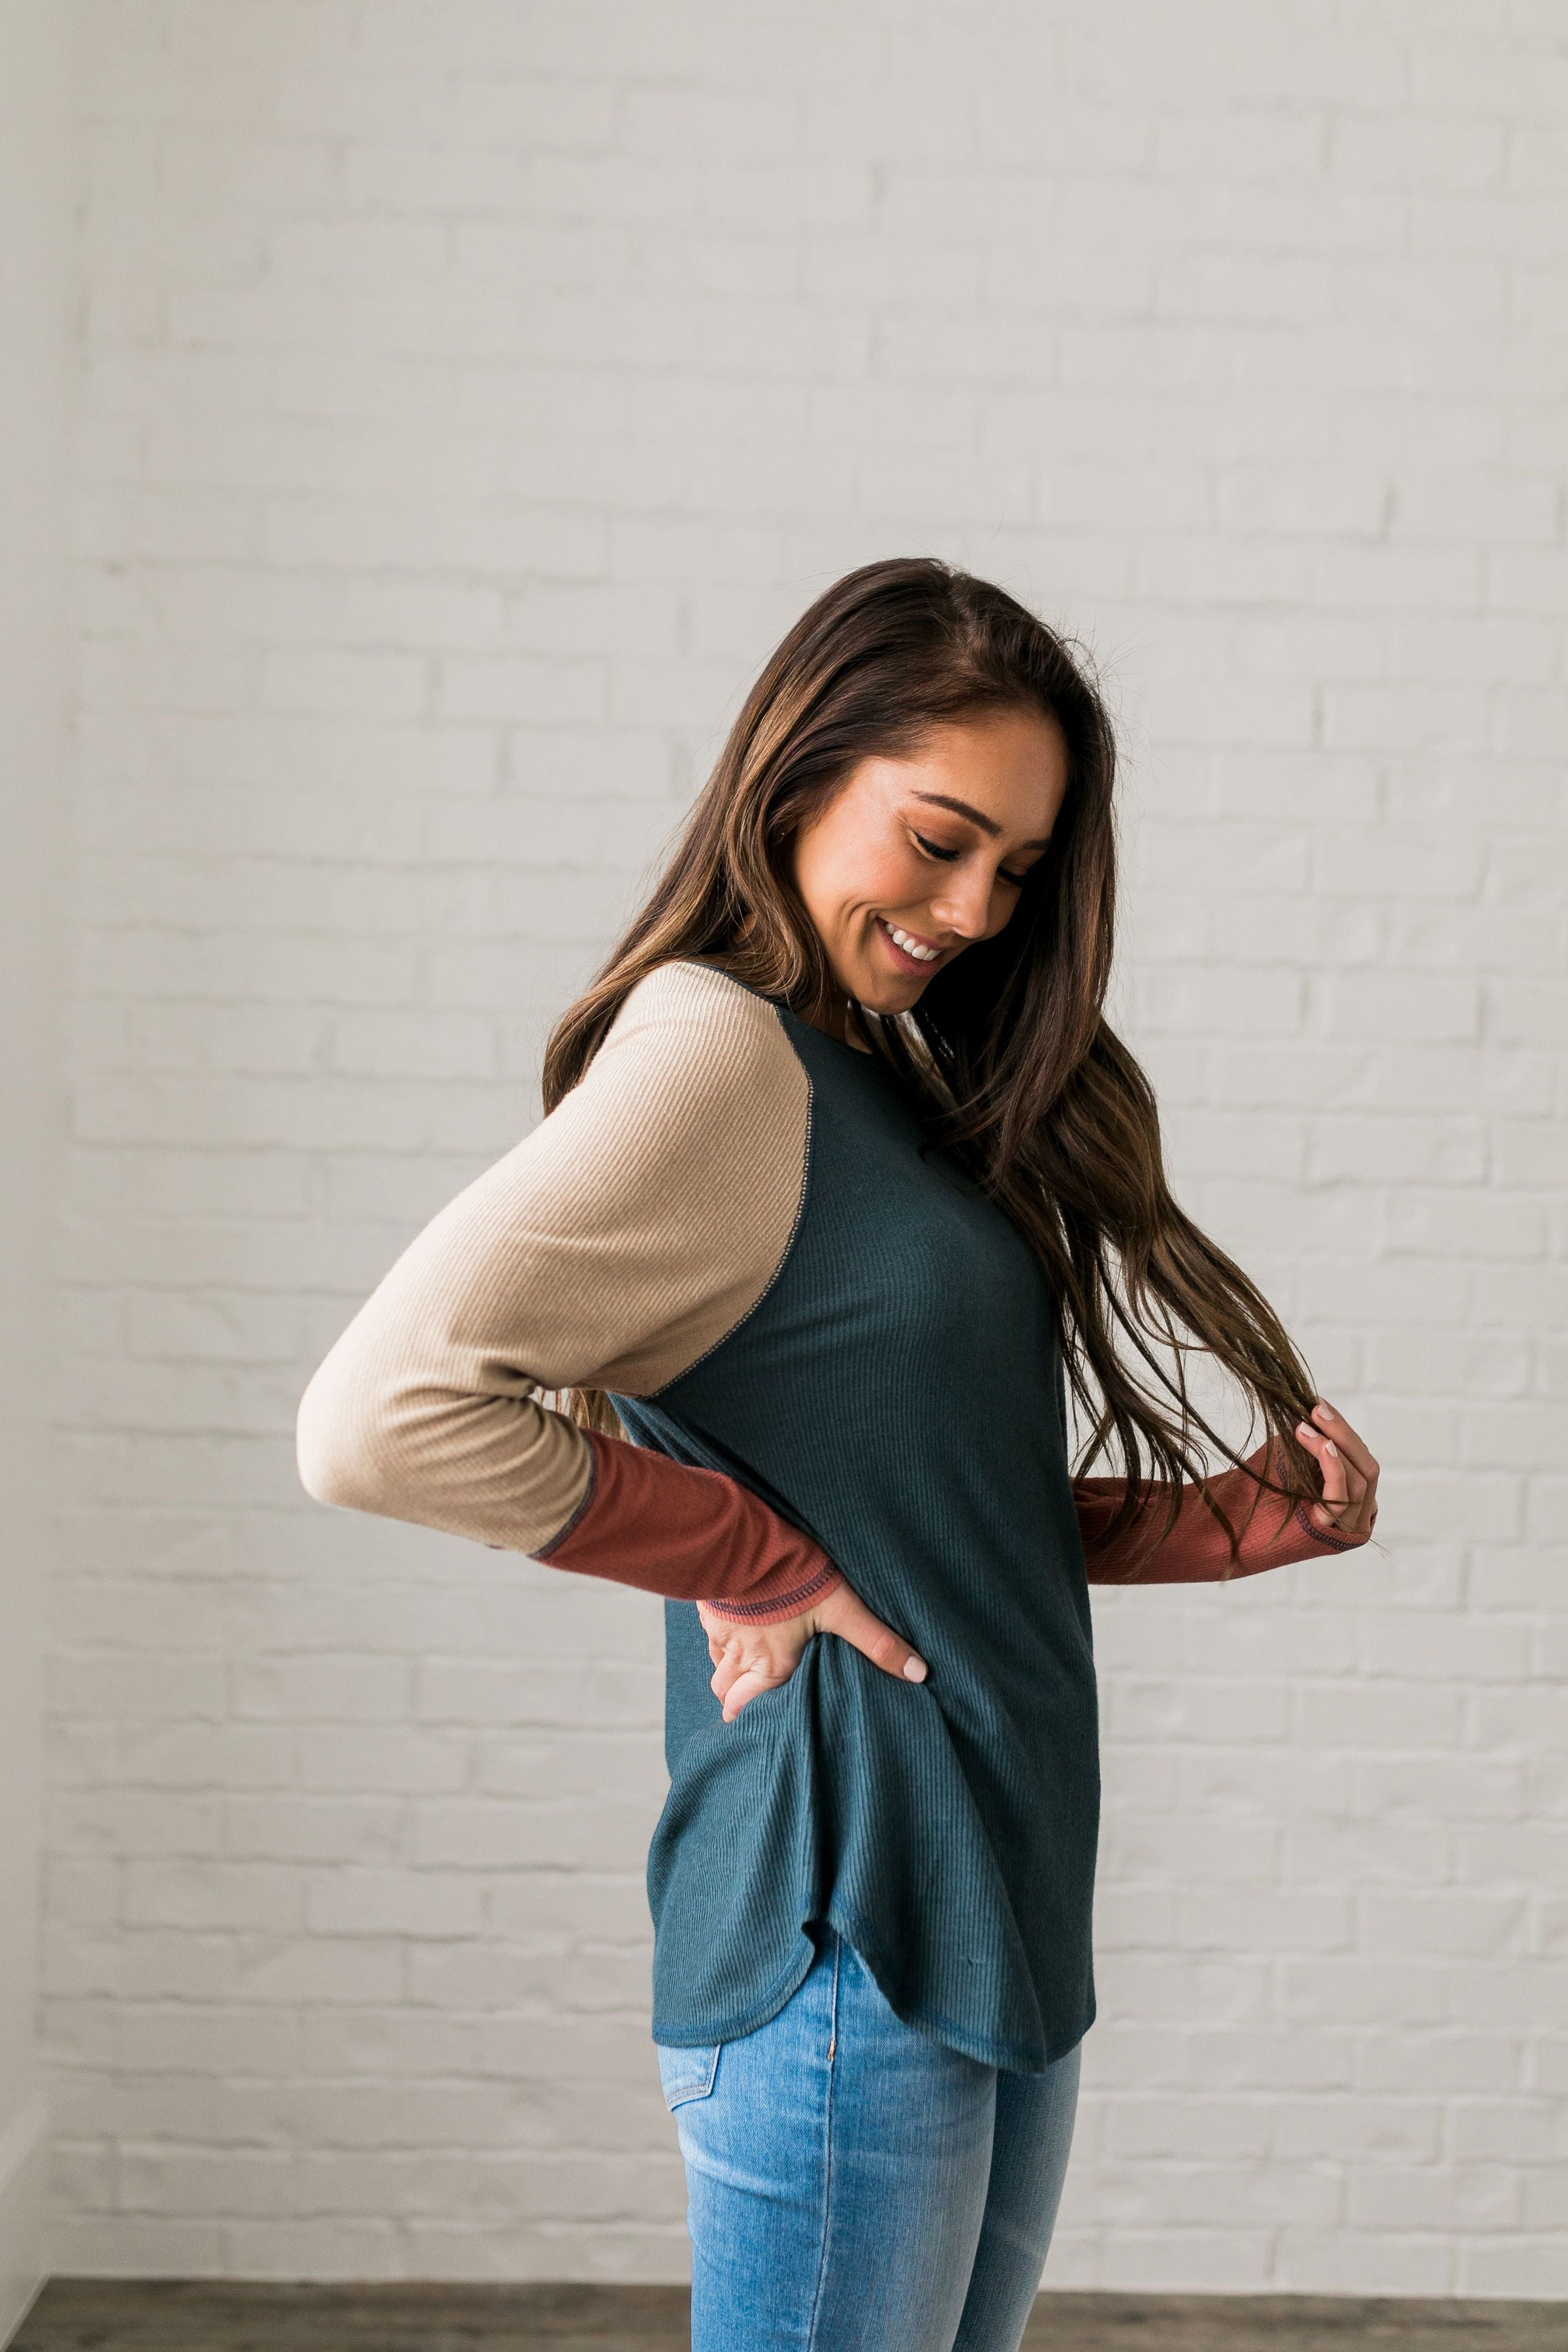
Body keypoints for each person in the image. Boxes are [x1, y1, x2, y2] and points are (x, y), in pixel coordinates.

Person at [295, 558, 1379, 2352]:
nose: (974, 908)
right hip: (844, 1928)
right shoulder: (714, 1054)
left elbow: (913, 1487)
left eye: (1018, 870)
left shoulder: (866, 1073)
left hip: (992, 1898)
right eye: (940, 838)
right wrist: (753, 1557)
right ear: (803, 774)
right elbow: (375, 1421)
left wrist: (1209, 1528)